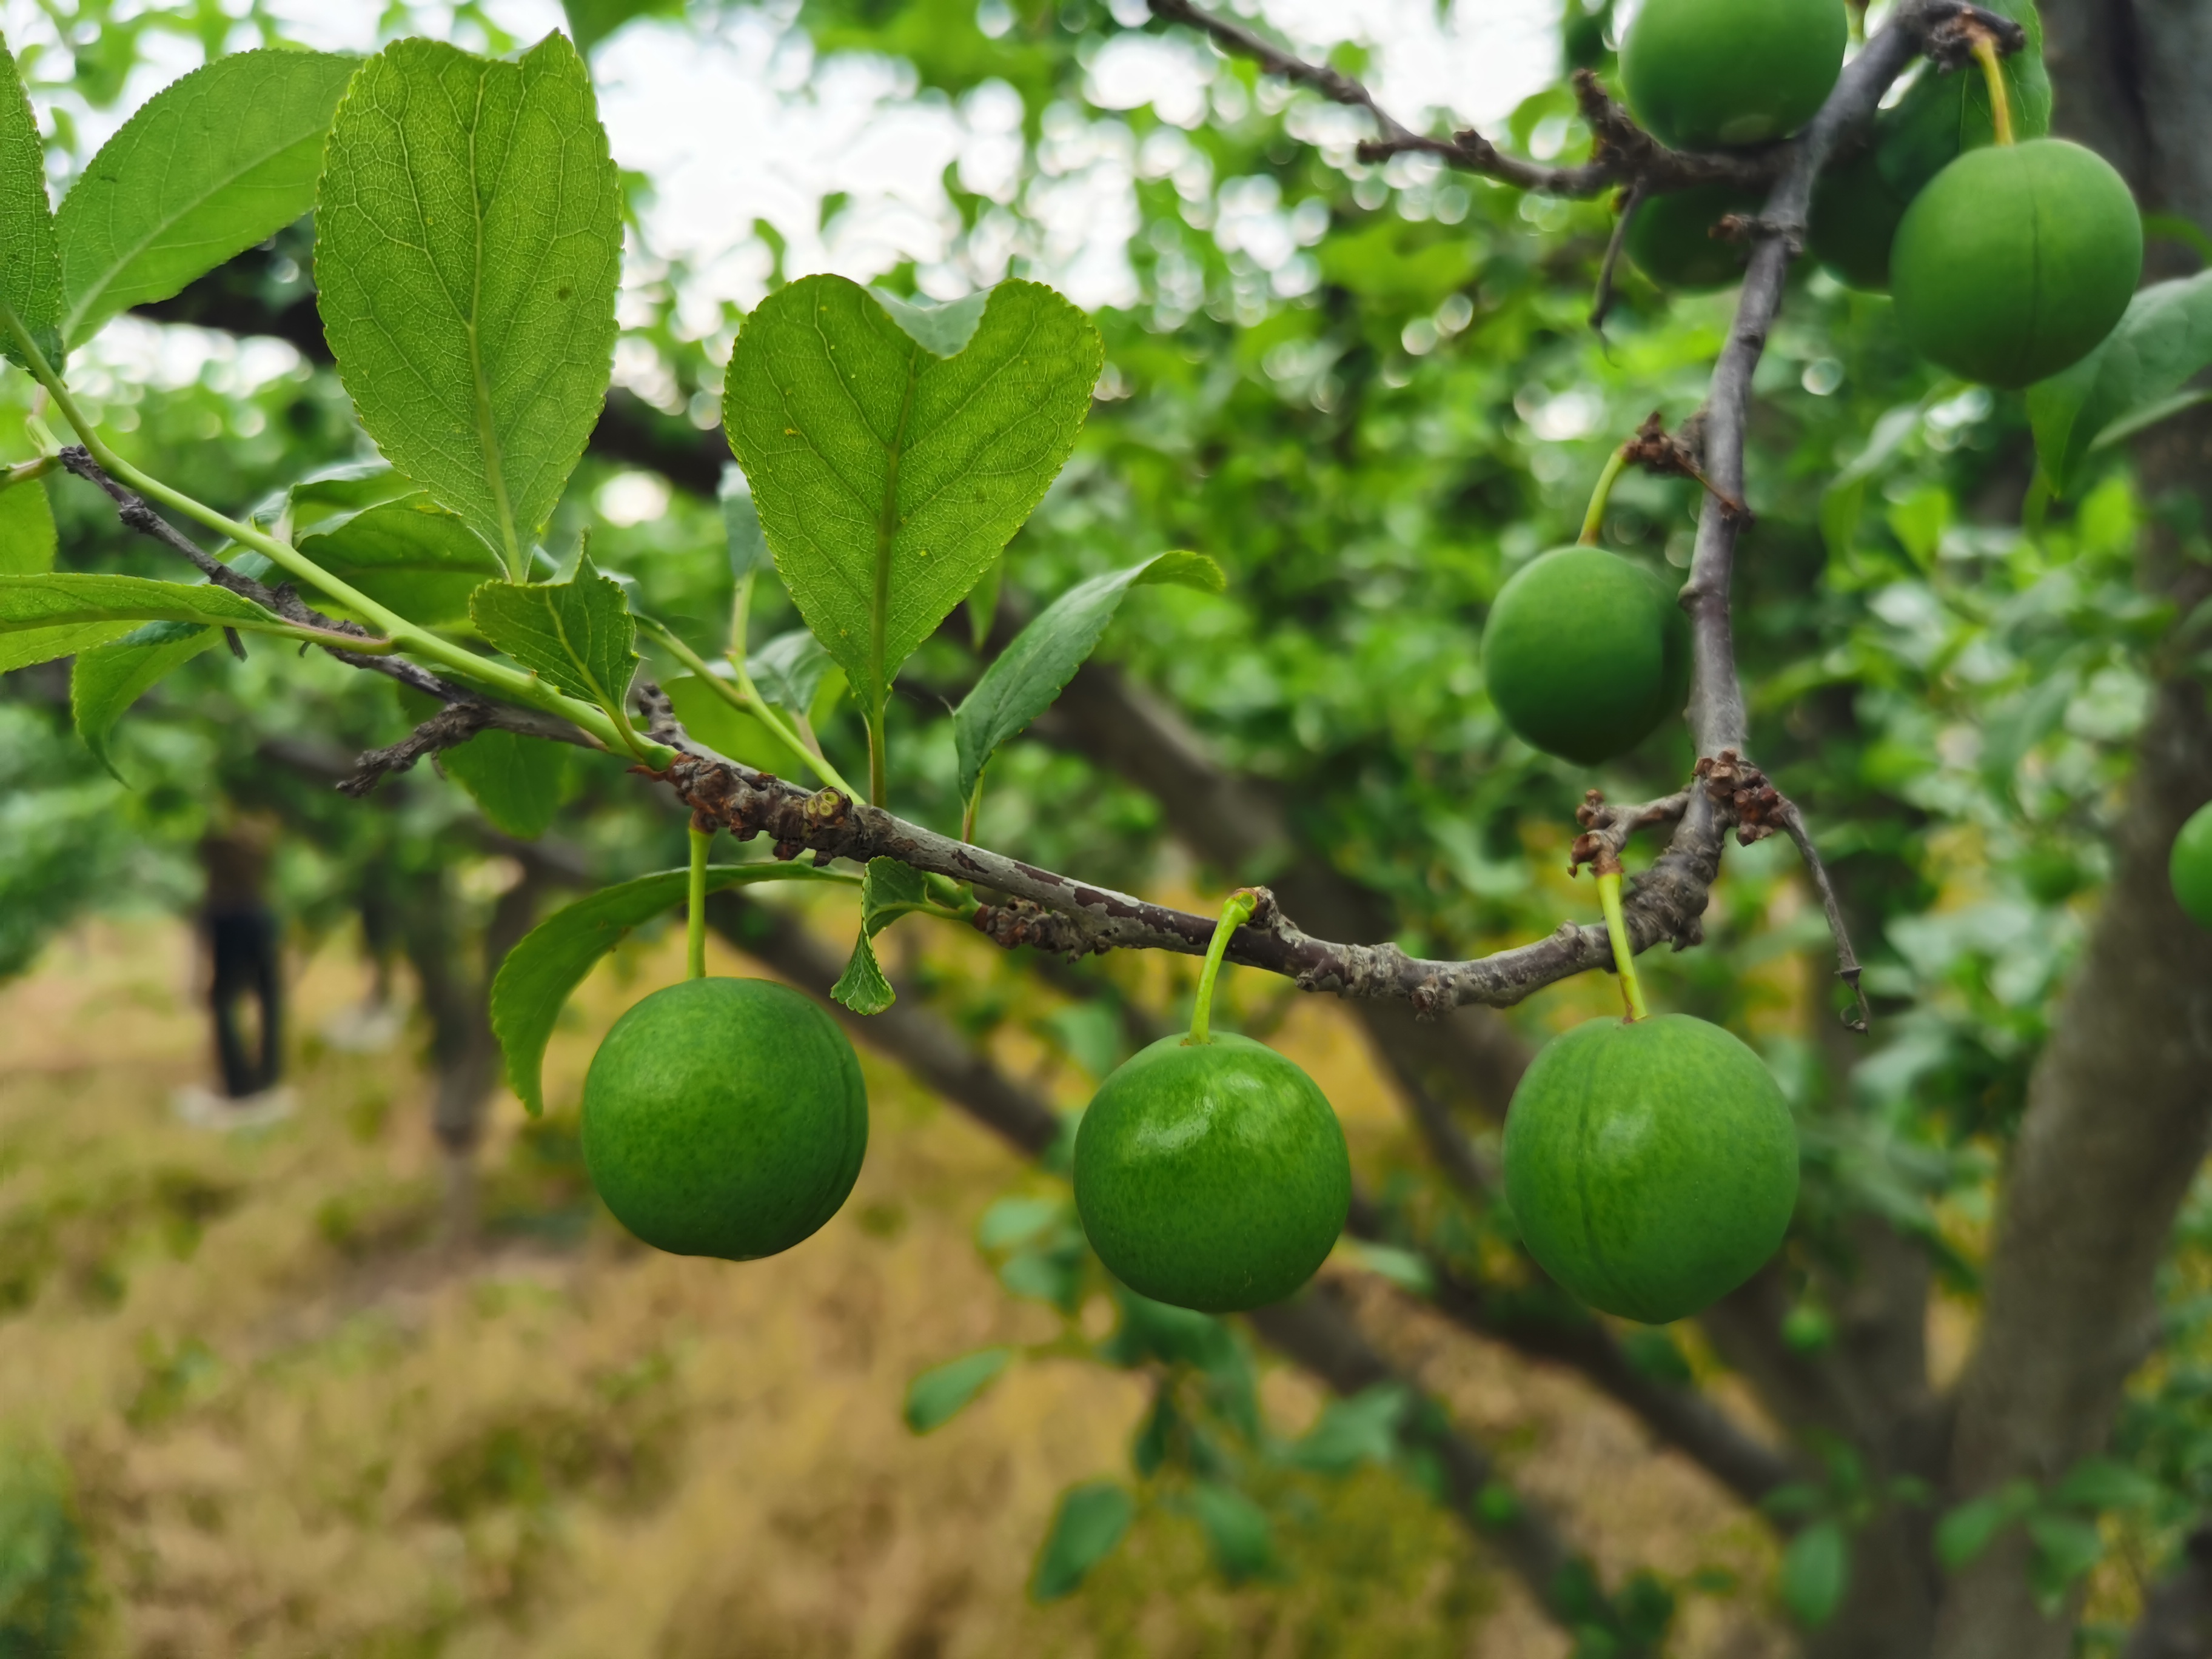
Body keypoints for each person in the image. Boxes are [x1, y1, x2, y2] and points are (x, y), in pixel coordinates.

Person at [197, 820, 283, 1101]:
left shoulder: (217, 840)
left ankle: (242, 1081)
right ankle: (261, 1077)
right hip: (251, 914)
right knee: (264, 997)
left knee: (227, 1001)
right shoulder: (251, 841)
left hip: (232, 915)